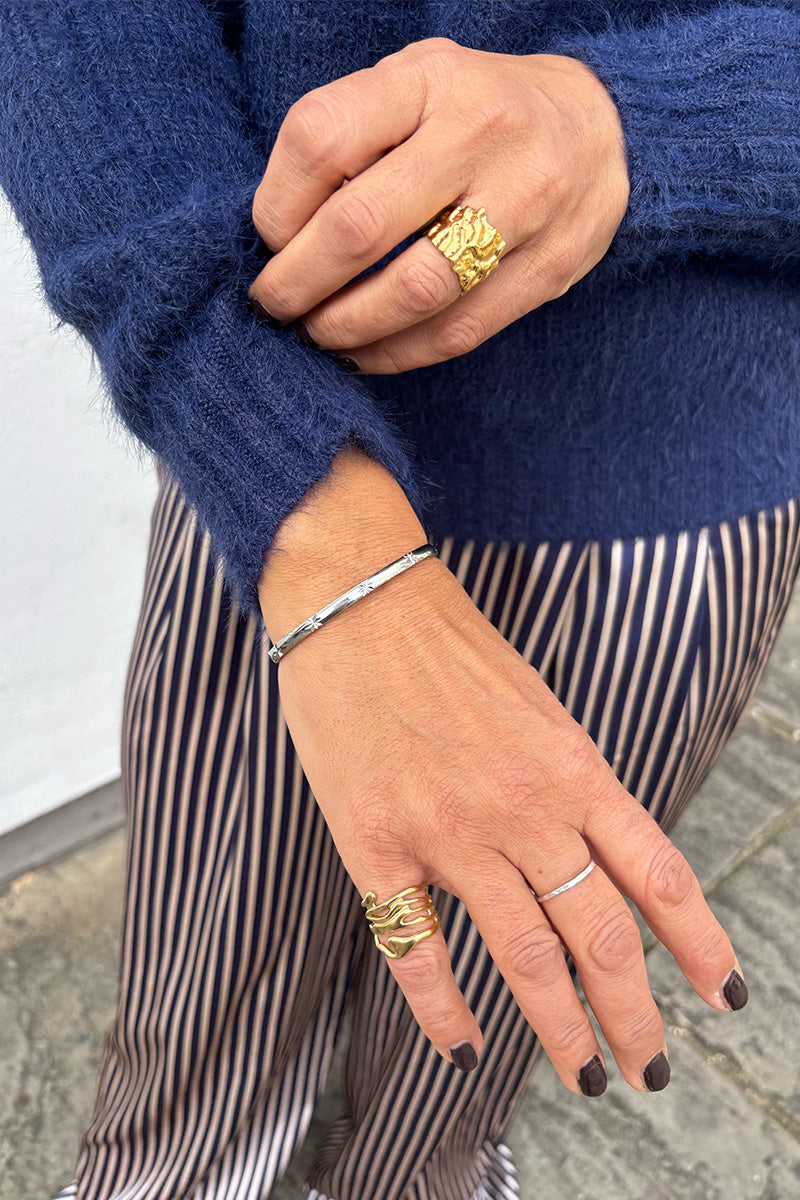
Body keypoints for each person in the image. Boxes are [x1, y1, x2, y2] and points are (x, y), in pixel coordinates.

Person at [1, 2, 799, 1198]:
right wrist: (293, 495)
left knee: (466, 1049)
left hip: (684, 487)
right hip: (271, 476)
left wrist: (645, 123)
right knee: (200, 1017)